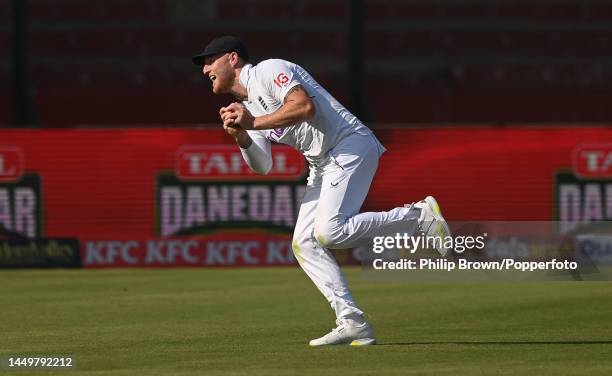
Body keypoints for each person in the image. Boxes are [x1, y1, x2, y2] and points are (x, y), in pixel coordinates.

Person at [192, 36, 451, 346]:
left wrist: (254, 122)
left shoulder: (268, 70)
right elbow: (262, 165)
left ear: (233, 59)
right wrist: (241, 136)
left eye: (210, 60)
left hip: (349, 145)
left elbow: (304, 107)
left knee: (329, 232)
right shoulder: (245, 106)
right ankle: (352, 322)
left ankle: (417, 217)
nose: (205, 68)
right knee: (304, 243)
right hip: (322, 162)